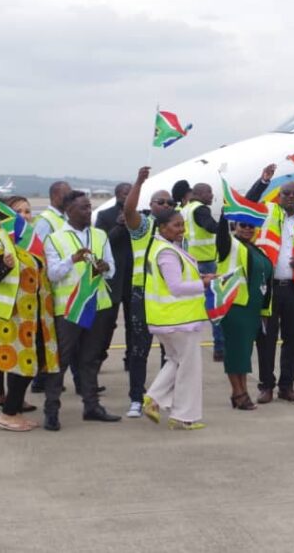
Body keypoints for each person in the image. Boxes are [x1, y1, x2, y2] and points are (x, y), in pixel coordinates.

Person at [0, 196, 60, 431]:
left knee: (32, 363)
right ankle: (9, 414)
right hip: (11, 318)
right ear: (6, 216)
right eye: (18, 211)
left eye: (27, 211)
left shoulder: (29, 242)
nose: (25, 215)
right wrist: (5, 266)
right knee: (20, 365)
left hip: (36, 318)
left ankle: (13, 407)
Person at [43, 190, 120, 429]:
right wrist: (72, 260)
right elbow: (53, 274)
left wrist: (105, 267)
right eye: (83, 208)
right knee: (61, 359)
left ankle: (92, 405)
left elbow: (112, 270)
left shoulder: (99, 235)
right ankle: (52, 409)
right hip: (69, 307)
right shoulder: (55, 239)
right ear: (69, 211)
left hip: (97, 304)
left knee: (90, 358)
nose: (89, 212)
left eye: (89, 207)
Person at [140, 210, 213, 430]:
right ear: (162, 227)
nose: (181, 229)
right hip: (179, 320)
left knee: (175, 361)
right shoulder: (167, 253)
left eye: (182, 225)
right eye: (176, 225)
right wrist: (205, 284)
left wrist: (201, 279)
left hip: (166, 319)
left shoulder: (161, 248)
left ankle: (152, 398)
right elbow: (176, 287)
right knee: (189, 367)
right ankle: (183, 415)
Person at [246, 164, 294, 404]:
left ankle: (287, 386)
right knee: (265, 341)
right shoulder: (267, 211)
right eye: (286, 193)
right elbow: (248, 204)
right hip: (269, 289)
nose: (291, 197)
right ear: (278, 196)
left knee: (292, 341)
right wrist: (263, 181)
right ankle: (266, 386)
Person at [122, 167, 174, 418]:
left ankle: (161, 395)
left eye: (170, 202)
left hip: (168, 296)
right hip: (143, 295)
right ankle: (136, 397)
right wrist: (139, 182)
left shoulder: (176, 231)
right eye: (160, 201)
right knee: (139, 348)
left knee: (170, 351)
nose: (166, 205)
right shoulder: (143, 226)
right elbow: (128, 211)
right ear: (151, 205)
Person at [215, 212, 273, 411]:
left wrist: (265, 310)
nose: (247, 229)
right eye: (242, 225)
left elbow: (266, 282)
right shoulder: (228, 245)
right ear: (234, 226)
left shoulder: (257, 250)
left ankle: (239, 392)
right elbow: (221, 234)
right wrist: (224, 215)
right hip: (235, 307)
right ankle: (239, 393)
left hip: (253, 308)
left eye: (251, 226)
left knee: (244, 353)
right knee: (235, 352)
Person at [29, 180, 70, 393]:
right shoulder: (46, 220)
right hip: (48, 284)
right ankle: (41, 378)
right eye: (66, 195)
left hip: (59, 283)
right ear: (54, 196)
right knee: (46, 336)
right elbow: (38, 251)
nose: (69, 198)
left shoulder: (63, 219)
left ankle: (46, 376)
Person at [181, 182, 223, 361]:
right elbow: (212, 227)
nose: (212, 196)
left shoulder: (185, 209)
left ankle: (186, 346)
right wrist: (225, 221)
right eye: (209, 192)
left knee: (191, 306)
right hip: (205, 264)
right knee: (216, 306)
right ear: (198, 193)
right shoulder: (201, 210)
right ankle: (220, 348)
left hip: (190, 262)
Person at [95, 182, 133, 371]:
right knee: (107, 323)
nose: (129, 196)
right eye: (126, 193)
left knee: (134, 324)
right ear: (118, 194)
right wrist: (119, 225)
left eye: (131, 193)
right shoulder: (106, 215)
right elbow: (101, 242)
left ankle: (131, 359)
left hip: (133, 278)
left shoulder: (138, 216)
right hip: (113, 278)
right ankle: (98, 358)